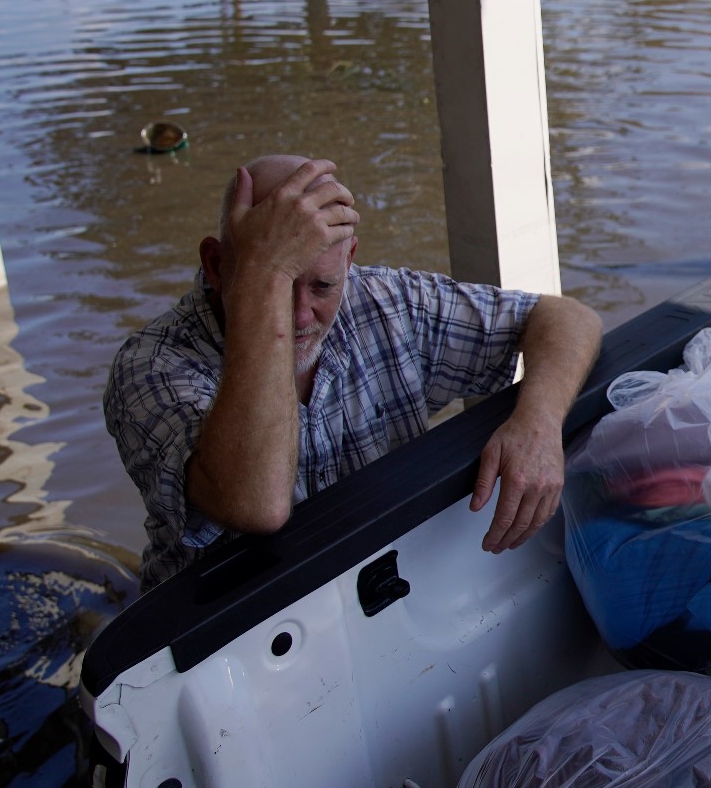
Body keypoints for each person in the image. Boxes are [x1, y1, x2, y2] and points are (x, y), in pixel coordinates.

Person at [106, 155, 603, 589]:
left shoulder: (384, 300)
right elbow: (253, 505)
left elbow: (567, 319)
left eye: (321, 286)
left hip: (380, 597)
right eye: (279, 284)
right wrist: (264, 275)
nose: (301, 315)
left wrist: (538, 423)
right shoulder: (149, 366)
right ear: (216, 265)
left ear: (350, 259)